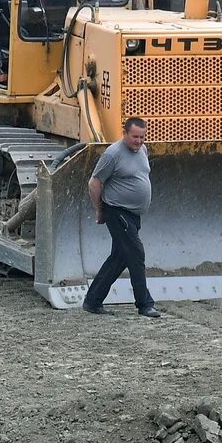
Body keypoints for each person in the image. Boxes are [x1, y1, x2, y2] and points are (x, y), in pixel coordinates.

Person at [82, 114, 160, 319]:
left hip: (133, 215)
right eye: (135, 137)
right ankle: (144, 304)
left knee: (119, 258)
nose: (139, 141)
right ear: (124, 133)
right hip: (117, 211)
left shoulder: (142, 150)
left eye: (143, 137)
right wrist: (99, 210)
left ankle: (93, 300)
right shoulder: (112, 154)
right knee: (136, 254)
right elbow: (95, 183)